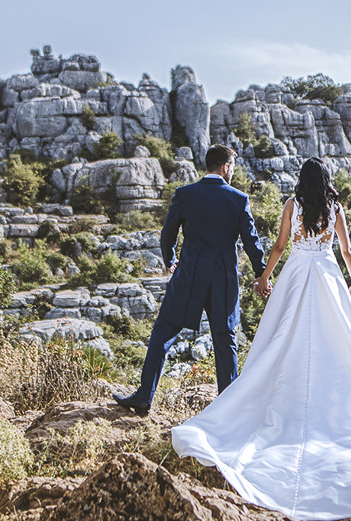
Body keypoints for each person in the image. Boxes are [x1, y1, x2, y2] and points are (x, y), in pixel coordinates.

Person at [171, 157, 351, 521]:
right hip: (328, 276)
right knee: (336, 344)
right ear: (326, 181)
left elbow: (280, 246)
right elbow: (346, 250)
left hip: (297, 273)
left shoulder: (292, 205)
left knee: (281, 340)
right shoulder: (336, 208)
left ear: (301, 181)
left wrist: (265, 278)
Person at [113, 144, 266, 415]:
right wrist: (261, 274)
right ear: (226, 167)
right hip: (223, 280)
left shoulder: (185, 194)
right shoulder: (238, 198)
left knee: (163, 332)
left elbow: (167, 234)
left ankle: (144, 397)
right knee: (224, 339)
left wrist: (170, 260)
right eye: (232, 167)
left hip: (189, 276)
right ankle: (228, 409)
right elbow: (252, 242)